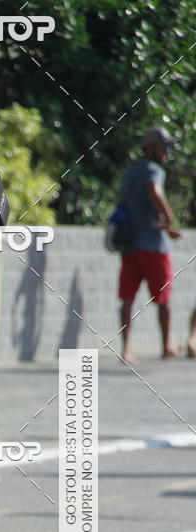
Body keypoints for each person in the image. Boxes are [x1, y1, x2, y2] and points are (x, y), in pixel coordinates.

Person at [118, 126, 181, 364]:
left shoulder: (130, 171)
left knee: (127, 299)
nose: (166, 151)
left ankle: (126, 349)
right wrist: (168, 217)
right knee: (163, 298)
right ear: (151, 147)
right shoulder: (153, 170)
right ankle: (165, 346)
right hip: (154, 246)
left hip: (130, 245)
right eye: (163, 146)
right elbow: (154, 191)